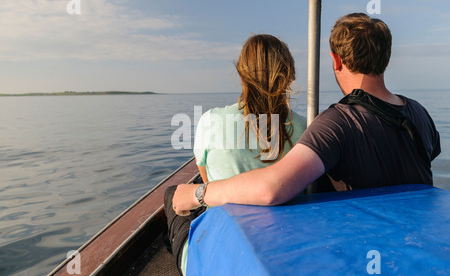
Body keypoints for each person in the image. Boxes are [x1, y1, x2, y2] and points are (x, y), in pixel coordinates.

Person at [172, 13, 441, 214]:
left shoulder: (337, 123)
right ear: (386, 58)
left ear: (336, 60)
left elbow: (271, 189)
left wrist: (197, 193)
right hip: (420, 234)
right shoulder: (419, 112)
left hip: (368, 236)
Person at [165, 34, 307, 276]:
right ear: (289, 75)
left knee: (172, 195)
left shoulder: (212, 121)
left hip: (219, 255)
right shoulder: (307, 127)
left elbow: (206, 181)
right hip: (285, 245)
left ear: (242, 74)